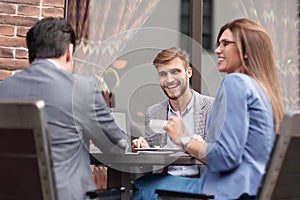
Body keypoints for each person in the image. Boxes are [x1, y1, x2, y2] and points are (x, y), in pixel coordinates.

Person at [132, 18, 284, 200]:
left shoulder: (235, 82)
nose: (218, 50)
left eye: (225, 44)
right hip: (251, 191)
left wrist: (184, 139)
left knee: (141, 186)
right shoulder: (262, 90)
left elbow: (225, 158)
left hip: (225, 192)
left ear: (246, 51)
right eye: (218, 44)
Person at [0, 17, 129, 200]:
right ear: (69, 51)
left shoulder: (3, 89)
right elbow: (116, 145)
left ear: (31, 55)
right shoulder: (82, 89)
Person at [132, 47, 214, 177]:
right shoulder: (153, 113)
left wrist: (197, 146)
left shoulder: (212, 107)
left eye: (175, 72)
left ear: (189, 73)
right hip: (163, 183)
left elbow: (221, 157)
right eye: (163, 74)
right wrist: (145, 149)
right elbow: (150, 165)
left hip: (200, 184)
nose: (169, 80)